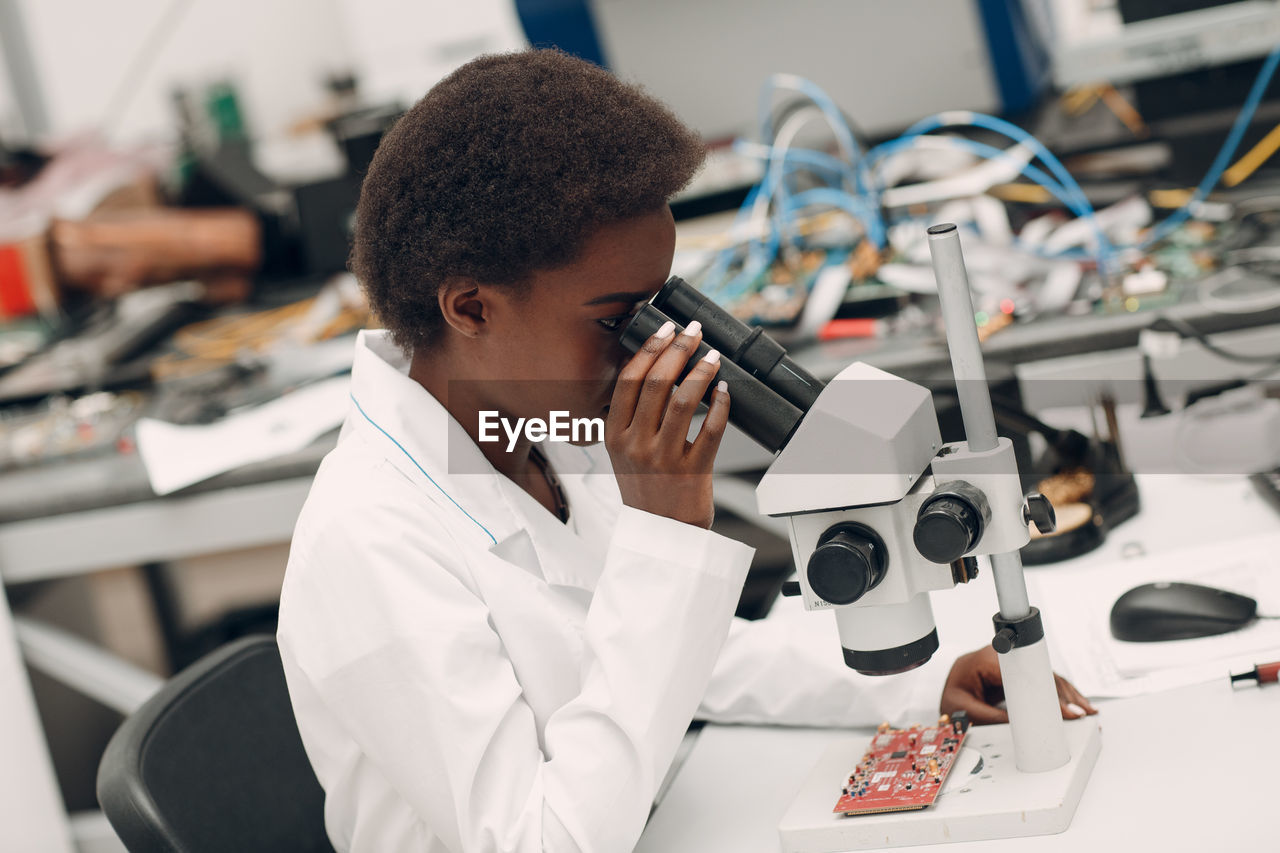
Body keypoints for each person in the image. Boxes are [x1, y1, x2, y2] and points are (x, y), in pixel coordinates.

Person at [277, 49, 1096, 853]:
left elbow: (687, 652)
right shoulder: (368, 536)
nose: (652, 350)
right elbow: (532, 838)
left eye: (659, 306)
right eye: (615, 318)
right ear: (471, 307)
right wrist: (668, 533)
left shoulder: (531, 426)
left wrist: (923, 684)